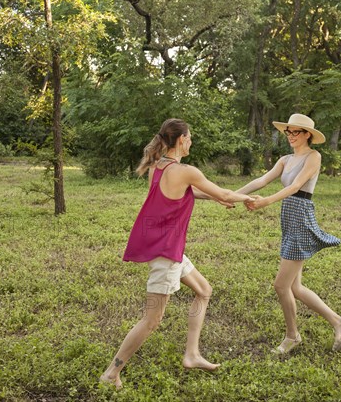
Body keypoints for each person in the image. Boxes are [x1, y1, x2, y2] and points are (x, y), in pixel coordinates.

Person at [100, 118, 254, 389]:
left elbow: (188, 192)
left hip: (168, 248)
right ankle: (111, 372)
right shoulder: (186, 170)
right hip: (166, 254)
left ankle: (192, 354)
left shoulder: (159, 167)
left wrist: (216, 198)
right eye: (190, 137)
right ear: (182, 139)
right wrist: (247, 198)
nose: (192, 141)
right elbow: (226, 193)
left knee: (204, 290)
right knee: (152, 319)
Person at [237, 113, 341, 354]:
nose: (290, 136)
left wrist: (266, 202)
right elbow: (261, 180)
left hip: (300, 215)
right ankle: (338, 321)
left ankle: (292, 336)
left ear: (307, 134)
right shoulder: (285, 159)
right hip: (288, 218)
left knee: (281, 285)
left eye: (295, 132)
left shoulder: (313, 156)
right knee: (295, 288)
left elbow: (295, 186)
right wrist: (231, 196)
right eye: (287, 132)